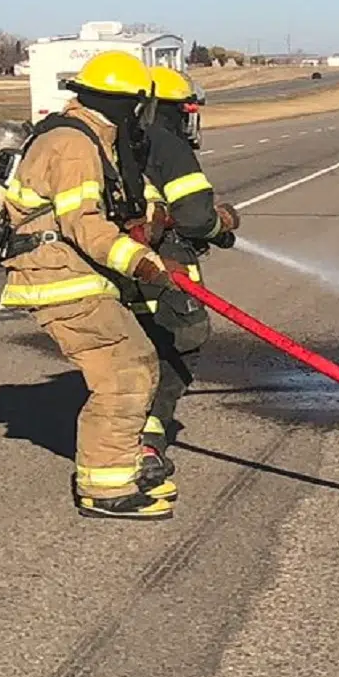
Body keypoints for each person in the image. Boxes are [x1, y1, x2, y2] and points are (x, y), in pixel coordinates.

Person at [0, 51, 177, 521]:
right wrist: (140, 262)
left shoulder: (87, 135)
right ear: (126, 101)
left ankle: (120, 458)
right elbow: (85, 225)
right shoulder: (74, 145)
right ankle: (106, 485)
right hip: (60, 280)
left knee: (133, 362)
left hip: (71, 276)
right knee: (125, 373)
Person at [122, 66, 239, 491]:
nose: (189, 118)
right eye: (184, 109)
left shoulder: (109, 139)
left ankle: (120, 434)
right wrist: (221, 223)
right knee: (183, 341)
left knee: (127, 352)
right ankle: (148, 440)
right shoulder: (167, 144)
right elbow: (194, 219)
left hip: (111, 263)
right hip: (161, 267)